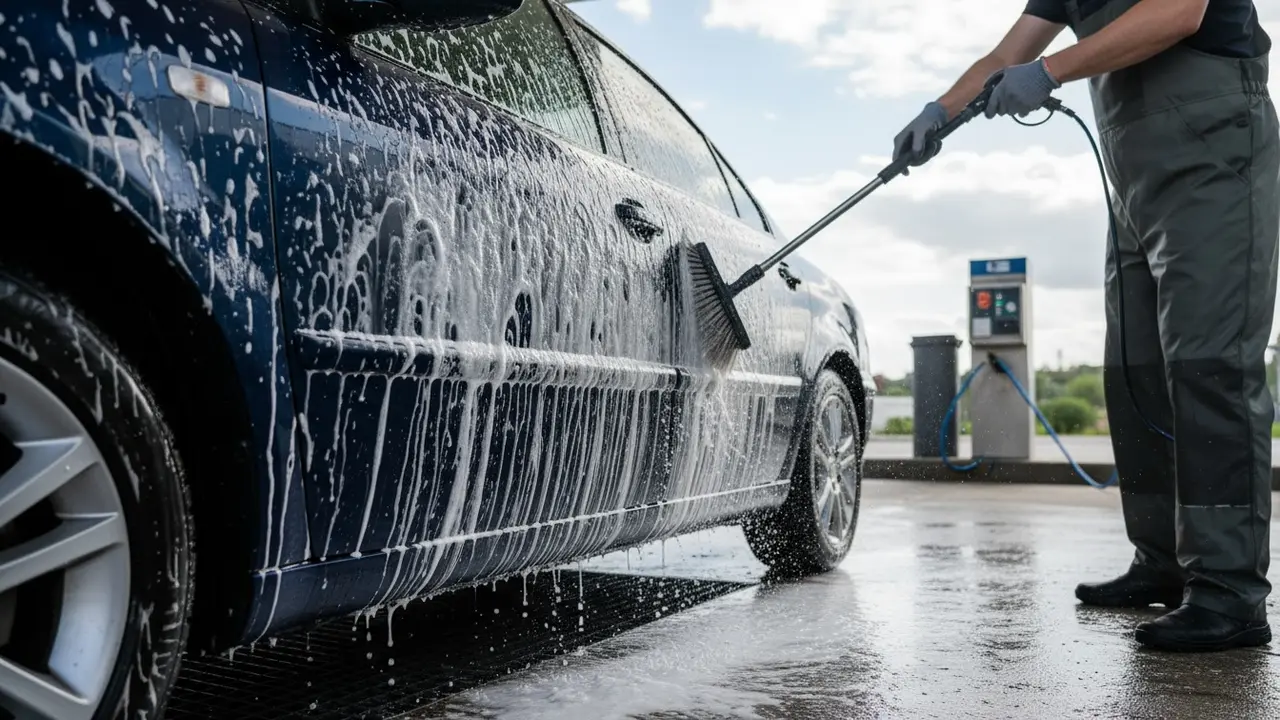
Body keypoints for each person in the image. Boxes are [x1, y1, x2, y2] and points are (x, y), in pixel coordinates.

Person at [894, 0, 1278, 652]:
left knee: (1207, 369)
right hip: (1137, 183)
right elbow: (1002, 55)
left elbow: (1179, 12)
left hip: (1216, 151)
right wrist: (942, 109)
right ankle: (1162, 562)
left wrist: (1051, 71)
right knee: (1134, 376)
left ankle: (1228, 592)